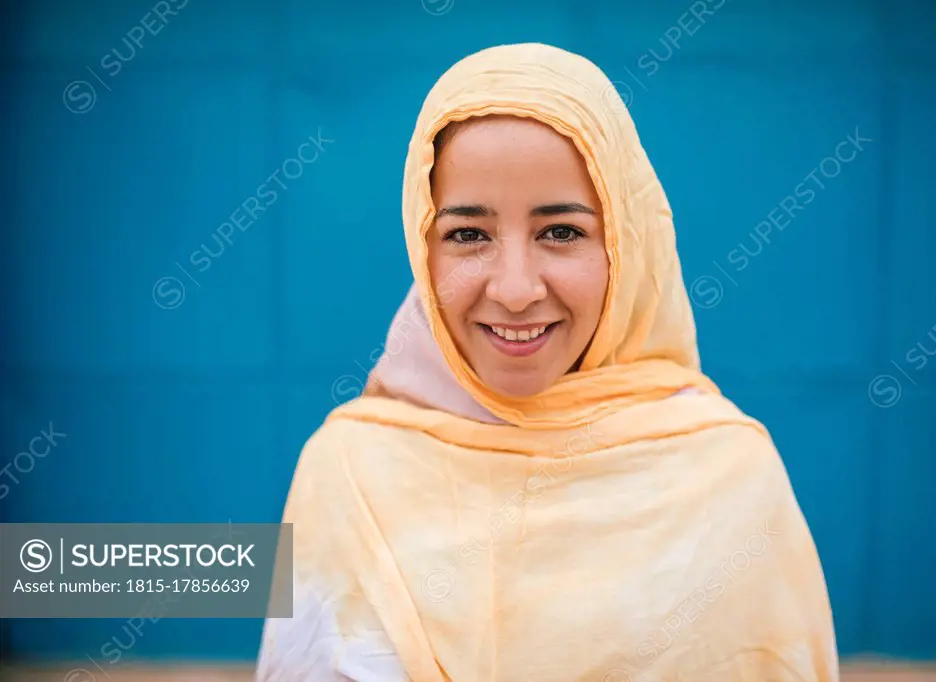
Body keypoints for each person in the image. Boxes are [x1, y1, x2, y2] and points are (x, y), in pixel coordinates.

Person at [255, 42, 839, 682]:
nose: (514, 288)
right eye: (468, 234)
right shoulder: (346, 473)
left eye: (561, 232)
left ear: (625, 246)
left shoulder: (729, 477)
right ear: (424, 248)